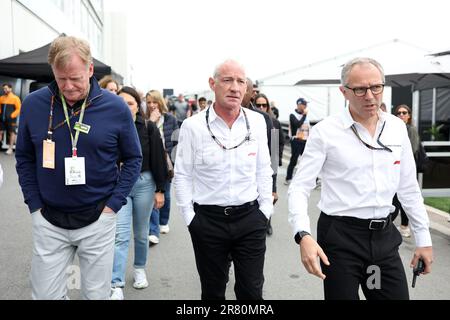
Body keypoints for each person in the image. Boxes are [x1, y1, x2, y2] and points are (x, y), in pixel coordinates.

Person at [288, 57, 433, 300]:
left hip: (384, 240)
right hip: (340, 238)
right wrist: (303, 235)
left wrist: (424, 239)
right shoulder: (326, 132)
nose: (370, 96)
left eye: (376, 87)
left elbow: (408, 188)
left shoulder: (397, 128)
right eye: (360, 89)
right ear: (344, 91)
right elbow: (300, 187)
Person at [15, 35, 142, 300]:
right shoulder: (33, 104)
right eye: (61, 79)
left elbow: (133, 159)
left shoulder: (116, 107)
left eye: (76, 78)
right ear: (52, 72)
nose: (69, 87)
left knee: (96, 295)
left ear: (90, 69)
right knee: (45, 295)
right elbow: (24, 157)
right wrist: (34, 205)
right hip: (48, 218)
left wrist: (113, 206)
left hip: (98, 217)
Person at [174, 60, 273, 300]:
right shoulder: (192, 126)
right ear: (213, 84)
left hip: (250, 219)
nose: (235, 88)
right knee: (213, 291)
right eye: (228, 80)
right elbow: (182, 175)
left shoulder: (258, 122)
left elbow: (264, 169)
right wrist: (191, 219)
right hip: (208, 221)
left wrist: (265, 212)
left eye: (241, 81)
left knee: (251, 291)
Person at [110, 86, 167, 300]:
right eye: (121, 103)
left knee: (141, 233)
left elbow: (158, 159)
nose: (126, 107)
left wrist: (160, 190)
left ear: (137, 106)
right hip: (120, 184)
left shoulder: (148, 127)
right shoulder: (110, 126)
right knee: (121, 235)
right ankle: (116, 283)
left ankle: (140, 268)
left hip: (144, 183)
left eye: (131, 103)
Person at [145, 89, 179, 245]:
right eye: (149, 102)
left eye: (154, 102)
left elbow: (176, 141)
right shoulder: (144, 120)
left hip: (167, 162)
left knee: (166, 194)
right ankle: (153, 230)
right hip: (150, 162)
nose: (152, 105)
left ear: (160, 102)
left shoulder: (170, 119)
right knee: (153, 194)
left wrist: (174, 160)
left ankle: (163, 221)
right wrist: (151, 122)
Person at [392, 104, 422, 238]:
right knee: (394, 198)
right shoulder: (393, 129)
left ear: (409, 115)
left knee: (406, 197)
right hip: (394, 168)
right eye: (399, 113)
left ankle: (405, 226)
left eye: (404, 113)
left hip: (407, 168)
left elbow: (413, 149)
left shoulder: (411, 130)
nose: (401, 115)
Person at [284, 97, 310, 185]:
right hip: (296, 140)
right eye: (304, 104)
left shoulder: (305, 115)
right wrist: (305, 115)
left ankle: (313, 179)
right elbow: (297, 124)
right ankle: (288, 178)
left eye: (306, 104)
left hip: (305, 141)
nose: (306, 106)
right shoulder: (293, 115)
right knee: (294, 160)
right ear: (299, 105)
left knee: (308, 160)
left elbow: (307, 128)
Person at [0, 83, 21, 155]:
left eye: (6, 88)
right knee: (0, 132)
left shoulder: (15, 98)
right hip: (2, 119)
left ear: (10, 88)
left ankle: (10, 149)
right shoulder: (1, 98)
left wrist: (12, 116)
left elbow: (19, 109)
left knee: (12, 133)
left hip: (11, 119)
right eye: (4, 89)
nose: (4, 90)